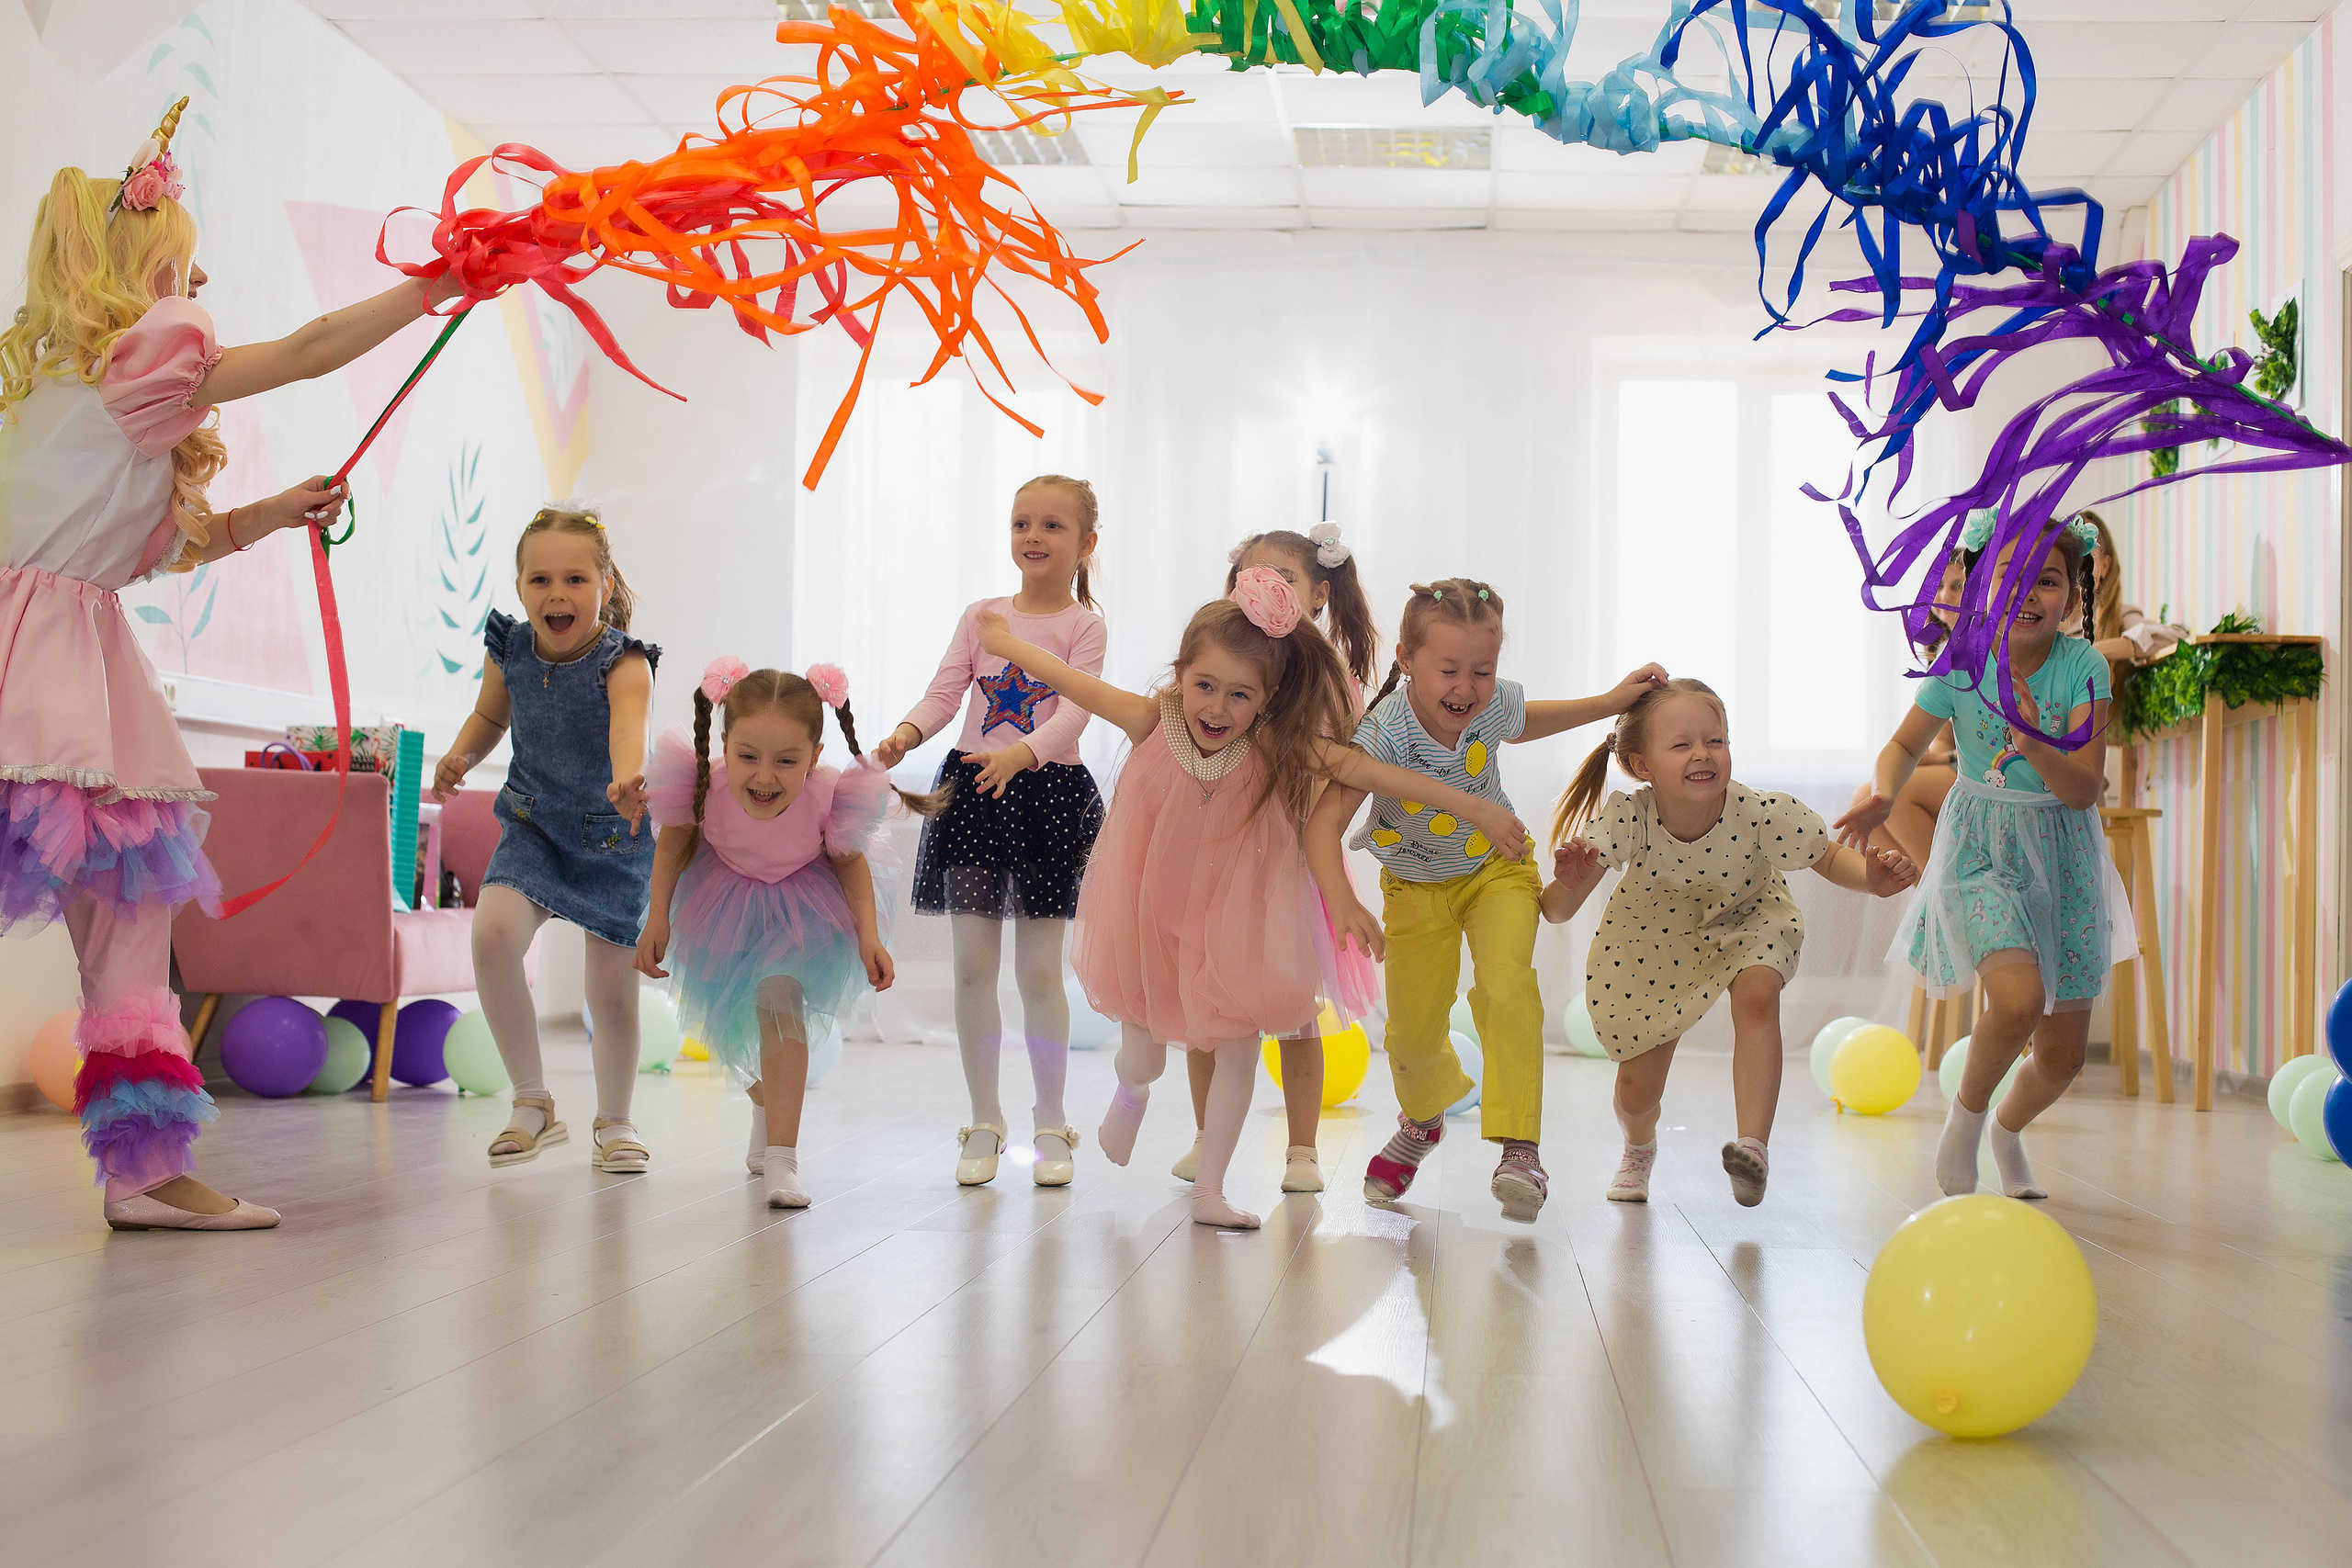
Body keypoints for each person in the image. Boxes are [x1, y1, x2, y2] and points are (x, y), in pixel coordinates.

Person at [0, 110, 468, 1229]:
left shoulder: (54, 391)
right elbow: (305, 351)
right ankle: (146, 1173)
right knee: (125, 918)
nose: (199, 277)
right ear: (135, 272)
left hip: (70, 650)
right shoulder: (144, 355)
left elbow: (154, 542)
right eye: (182, 258)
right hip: (49, 661)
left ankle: (147, 1174)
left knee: (129, 912)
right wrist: (431, 289)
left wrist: (269, 512)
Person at [978, 570, 1530, 1228]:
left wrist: (1472, 804)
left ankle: (1211, 1190)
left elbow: (1371, 771)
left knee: (1238, 1048)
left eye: (1240, 695)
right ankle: (1132, 1087)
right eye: (1205, 685)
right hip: (1149, 916)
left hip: (1233, 925)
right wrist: (1006, 644)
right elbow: (1077, 684)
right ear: (1181, 673)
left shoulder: (1275, 747)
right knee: (1147, 1053)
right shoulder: (1153, 721)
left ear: (1267, 700)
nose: (1217, 708)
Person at [1303, 579, 1666, 1224]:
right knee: (1410, 1033)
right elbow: (1323, 824)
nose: (1467, 688)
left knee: (1507, 990)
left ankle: (1519, 1147)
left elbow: (1531, 719)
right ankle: (1421, 1122)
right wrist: (1343, 904)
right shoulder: (1384, 731)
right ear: (1407, 661)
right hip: (1414, 886)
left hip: (1496, 870)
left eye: (1483, 670)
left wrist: (1611, 701)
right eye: (1449, 670)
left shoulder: (1490, 705)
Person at [1837, 512, 2134, 1199]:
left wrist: (2032, 737)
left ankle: (2005, 1129)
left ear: (2072, 595)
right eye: (2011, 576)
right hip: (1980, 848)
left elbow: (2086, 788)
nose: (2029, 592)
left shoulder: (2085, 666)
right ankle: (1965, 1124)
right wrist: (1885, 793)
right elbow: (1904, 746)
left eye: (2049, 580)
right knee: (2017, 998)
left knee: (2061, 1059)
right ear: (1979, 586)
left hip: (2064, 855)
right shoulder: (1964, 663)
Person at [1544, 679, 1917, 1206]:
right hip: (1655, 939)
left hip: (1749, 916)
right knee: (1634, 1094)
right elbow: (1556, 911)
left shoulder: (1760, 810)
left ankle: (1753, 1148)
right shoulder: (1629, 816)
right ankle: (1639, 1146)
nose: (1703, 754)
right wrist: (1571, 878)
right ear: (1642, 764)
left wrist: (1873, 878)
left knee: (1758, 995)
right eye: (1681, 745)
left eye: (1715, 741)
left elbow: (1828, 857)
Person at [870, 476, 1104, 1190]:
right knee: (972, 966)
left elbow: (1075, 711)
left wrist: (1023, 753)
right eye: (1021, 523)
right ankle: (982, 1119)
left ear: (1085, 543)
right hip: (975, 792)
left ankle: (1051, 1120)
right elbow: (947, 691)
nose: (1033, 536)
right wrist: (905, 734)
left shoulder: (1083, 626)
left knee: (1038, 971)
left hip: (1047, 797)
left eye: (1052, 526)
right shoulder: (982, 614)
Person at [638, 660, 942, 1207]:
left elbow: (850, 864)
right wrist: (658, 915)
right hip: (722, 899)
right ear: (724, 742)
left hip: (804, 906)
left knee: (780, 1002)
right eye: (747, 756)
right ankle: (765, 1104)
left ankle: (782, 1158)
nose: (764, 777)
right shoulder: (702, 782)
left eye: (787, 762)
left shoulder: (829, 794)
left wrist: (869, 935)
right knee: (726, 1029)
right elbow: (674, 844)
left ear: (815, 757)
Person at [434, 506, 660, 1174]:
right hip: (533, 824)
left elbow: (630, 730)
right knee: (493, 935)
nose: (557, 594)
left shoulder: (625, 662)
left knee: (611, 993)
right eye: (540, 580)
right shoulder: (510, 649)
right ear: (520, 586)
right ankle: (532, 1101)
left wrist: (628, 780)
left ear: (604, 581)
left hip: (613, 833)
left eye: (574, 579)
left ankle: (616, 1119)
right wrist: (458, 758)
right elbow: (489, 714)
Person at [1172, 522, 1377, 1196]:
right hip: (1220, 856)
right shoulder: (1228, 665)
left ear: (1318, 593)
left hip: (1289, 860)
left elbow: (1347, 758)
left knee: (1294, 1011)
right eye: (1249, 577)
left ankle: (1301, 1147)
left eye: (1283, 578)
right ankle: (1207, 1136)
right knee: (1205, 1009)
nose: (1263, 589)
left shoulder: (1326, 674)